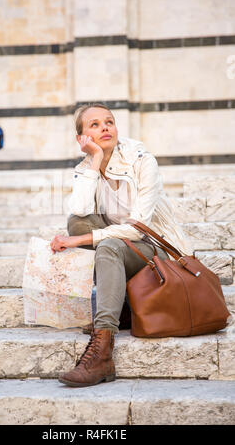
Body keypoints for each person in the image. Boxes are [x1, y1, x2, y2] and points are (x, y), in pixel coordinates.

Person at [50, 103, 192, 388]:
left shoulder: (141, 160)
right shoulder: (88, 165)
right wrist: (96, 159)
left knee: (107, 245)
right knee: (78, 223)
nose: (105, 127)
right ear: (82, 137)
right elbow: (78, 210)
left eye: (109, 122)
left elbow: (139, 227)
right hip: (127, 245)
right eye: (94, 125)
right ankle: (123, 306)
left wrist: (79, 241)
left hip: (159, 249)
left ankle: (102, 350)